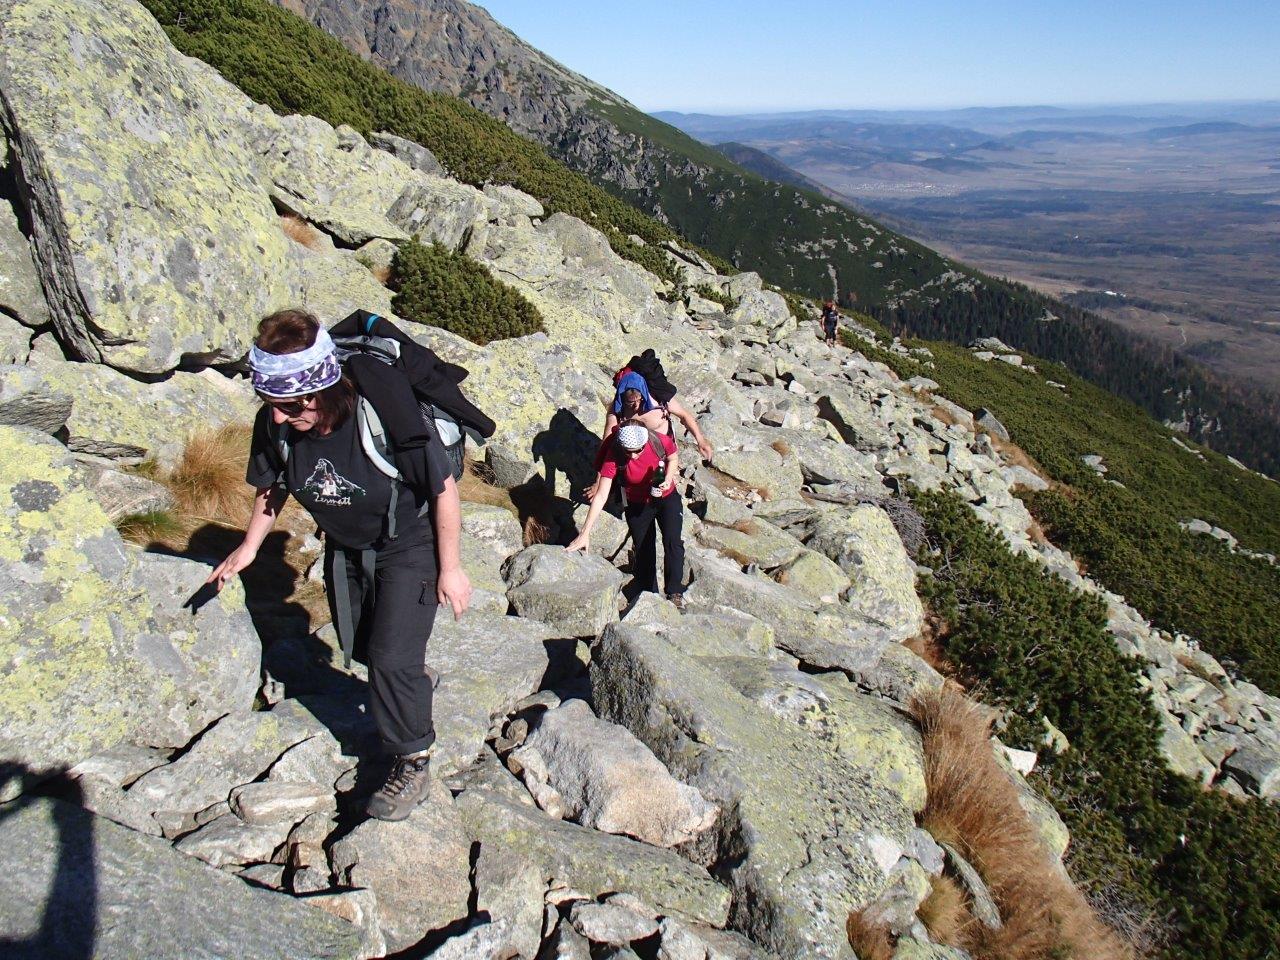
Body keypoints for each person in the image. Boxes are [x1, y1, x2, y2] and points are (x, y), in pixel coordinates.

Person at [205, 309, 471, 822]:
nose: (278, 417)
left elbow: (443, 489)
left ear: (319, 391)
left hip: (408, 541)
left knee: (390, 660)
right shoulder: (277, 425)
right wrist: (250, 547)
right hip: (348, 545)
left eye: (287, 405)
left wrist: (451, 567)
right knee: (366, 649)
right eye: (271, 404)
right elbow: (272, 486)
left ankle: (412, 757)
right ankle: (410, 683)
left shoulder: (384, 412)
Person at [567, 420, 685, 608]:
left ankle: (675, 592)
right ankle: (649, 596)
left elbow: (673, 457)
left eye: (638, 450)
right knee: (644, 547)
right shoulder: (614, 454)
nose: (633, 455)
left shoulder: (659, 441)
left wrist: (668, 478)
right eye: (628, 451)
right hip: (635, 502)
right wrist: (585, 532)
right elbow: (601, 495)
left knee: (672, 541)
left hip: (666, 497)